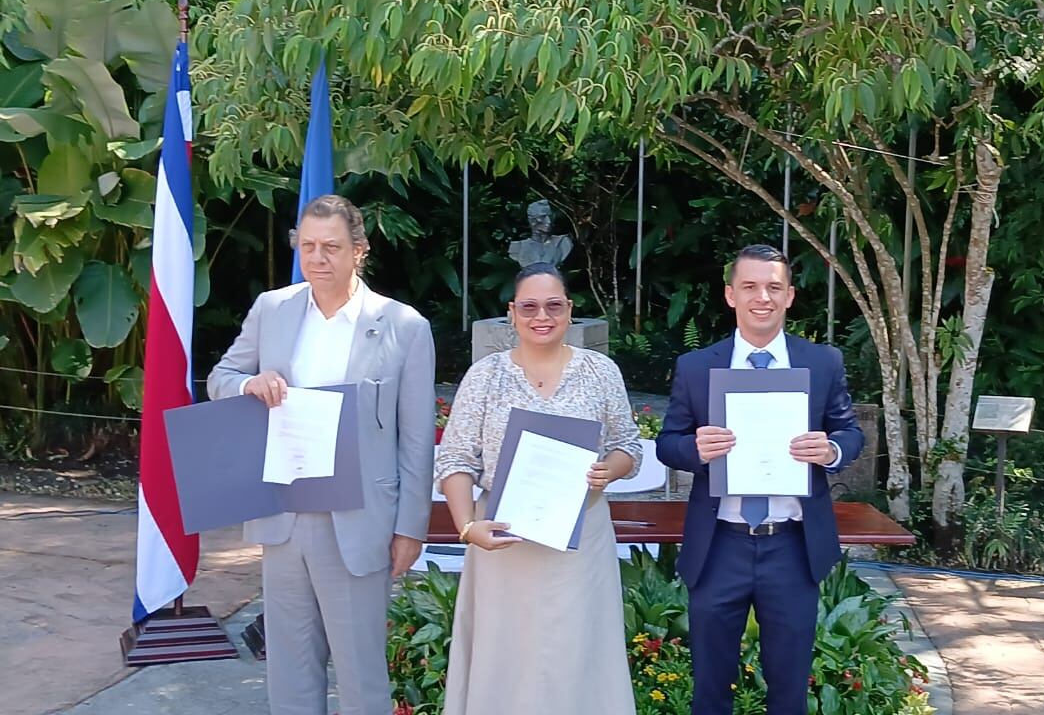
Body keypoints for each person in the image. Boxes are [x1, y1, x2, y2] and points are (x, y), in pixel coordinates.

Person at [207, 194, 435, 715]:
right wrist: (250, 383)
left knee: (361, 674)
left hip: (360, 518)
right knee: (288, 668)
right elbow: (221, 378)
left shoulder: (404, 326)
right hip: (283, 512)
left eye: (331, 247)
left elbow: (417, 439)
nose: (317, 258)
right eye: (307, 246)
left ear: (360, 250)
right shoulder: (273, 308)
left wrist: (411, 527)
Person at [656, 244, 864, 715]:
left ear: (789, 296)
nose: (762, 298)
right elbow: (668, 442)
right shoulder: (696, 366)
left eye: (773, 287)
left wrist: (831, 450)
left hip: (791, 546)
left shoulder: (822, 362)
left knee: (789, 690)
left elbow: (850, 432)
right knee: (710, 688)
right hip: (719, 546)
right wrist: (695, 449)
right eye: (750, 287)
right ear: (731, 295)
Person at [435, 262, 640, 715]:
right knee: (505, 656)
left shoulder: (600, 371)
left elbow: (628, 446)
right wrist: (468, 527)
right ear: (512, 312)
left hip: (580, 542)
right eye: (529, 306)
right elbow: (455, 460)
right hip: (503, 543)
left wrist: (611, 468)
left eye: (553, 305)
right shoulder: (485, 376)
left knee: (578, 655)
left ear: (569, 310)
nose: (541, 315)